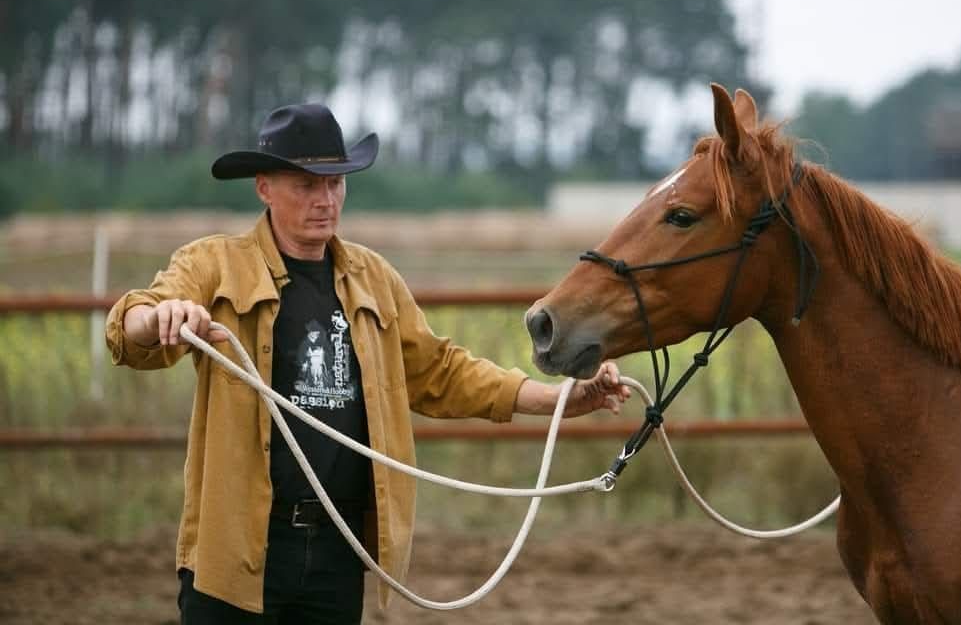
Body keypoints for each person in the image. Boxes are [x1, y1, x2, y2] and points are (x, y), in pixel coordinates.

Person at [105, 103, 630, 624]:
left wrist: (563, 398)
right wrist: (158, 317)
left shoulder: (374, 279)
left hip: (338, 548)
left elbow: (442, 373)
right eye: (306, 185)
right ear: (264, 187)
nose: (325, 200)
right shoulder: (212, 265)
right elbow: (131, 329)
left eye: (335, 184)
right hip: (237, 547)